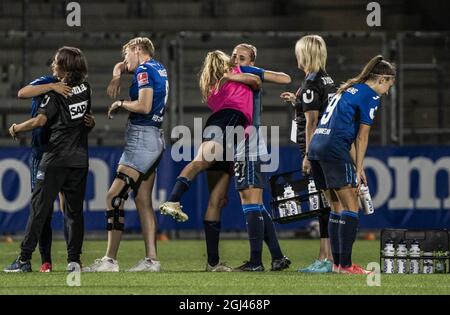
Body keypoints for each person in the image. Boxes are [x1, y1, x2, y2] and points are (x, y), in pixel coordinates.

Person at [83, 37, 167, 272]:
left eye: (127, 53)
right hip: (155, 137)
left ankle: (109, 260)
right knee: (143, 201)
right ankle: (152, 260)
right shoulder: (158, 67)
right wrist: (117, 74)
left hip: (141, 138)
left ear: (138, 50)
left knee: (113, 197)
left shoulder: (143, 71)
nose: (124, 59)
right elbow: (122, 67)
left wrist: (121, 103)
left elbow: (144, 106)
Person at [4, 46, 92, 272]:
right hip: (79, 160)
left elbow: (40, 121)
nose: (53, 64)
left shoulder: (55, 93)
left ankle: (23, 260)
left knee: (39, 209)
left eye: (56, 61)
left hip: (54, 158)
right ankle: (73, 261)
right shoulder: (86, 89)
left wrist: (16, 127)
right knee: (73, 212)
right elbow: (83, 119)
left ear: (64, 66)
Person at [308, 55, 395, 274]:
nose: (388, 90)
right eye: (390, 85)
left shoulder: (350, 89)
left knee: (336, 207)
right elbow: (361, 137)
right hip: (335, 147)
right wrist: (357, 169)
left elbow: (348, 132)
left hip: (317, 147)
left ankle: (337, 265)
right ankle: (345, 266)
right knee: (352, 208)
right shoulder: (371, 95)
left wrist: (359, 167)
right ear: (382, 79)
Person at [159, 50, 261, 226]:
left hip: (219, 123)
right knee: (201, 161)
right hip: (230, 119)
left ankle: (213, 256)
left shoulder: (210, 86)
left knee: (217, 200)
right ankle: (173, 199)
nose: (234, 60)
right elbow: (258, 81)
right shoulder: (234, 73)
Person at [229, 44, 292, 272]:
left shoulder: (249, 74)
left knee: (249, 201)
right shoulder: (231, 74)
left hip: (247, 141)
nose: (237, 60)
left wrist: (254, 73)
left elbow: (285, 78)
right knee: (255, 202)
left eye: (243, 58)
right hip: (241, 141)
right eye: (234, 56)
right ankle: (277, 257)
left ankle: (256, 262)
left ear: (252, 62)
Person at [280, 35, 336, 273]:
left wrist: (308, 155)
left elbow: (312, 123)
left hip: (318, 149)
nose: (296, 56)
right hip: (329, 145)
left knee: (327, 204)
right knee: (326, 203)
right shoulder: (327, 79)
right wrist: (297, 102)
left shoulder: (312, 82)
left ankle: (329, 259)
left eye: (299, 52)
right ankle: (326, 256)